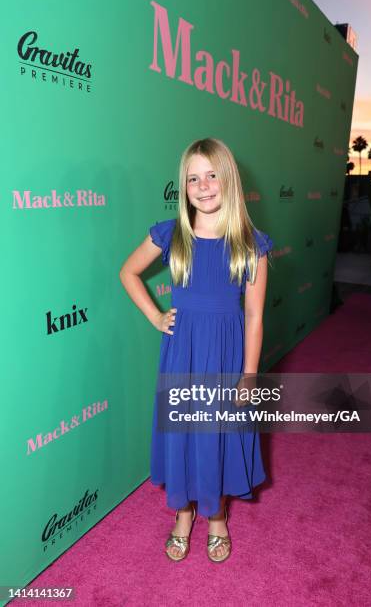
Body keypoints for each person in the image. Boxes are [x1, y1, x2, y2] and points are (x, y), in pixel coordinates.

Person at [119, 137, 274, 563]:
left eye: (212, 176)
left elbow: (256, 317)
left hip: (225, 355)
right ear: (183, 185)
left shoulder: (251, 244)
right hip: (183, 353)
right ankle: (183, 514)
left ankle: (218, 516)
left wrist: (249, 375)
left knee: (216, 435)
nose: (203, 186)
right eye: (193, 178)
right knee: (185, 434)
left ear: (229, 181)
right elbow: (128, 272)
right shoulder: (171, 235)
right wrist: (155, 317)